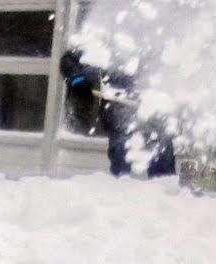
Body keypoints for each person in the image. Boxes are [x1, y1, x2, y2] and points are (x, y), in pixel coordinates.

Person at [60, 47, 175, 178]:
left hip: (154, 114)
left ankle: (161, 190)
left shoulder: (159, 43)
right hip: (118, 116)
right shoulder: (108, 35)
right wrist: (79, 80)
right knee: (122, 167)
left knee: (162, 168)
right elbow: (68, 62)